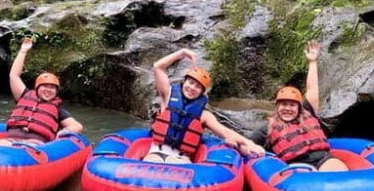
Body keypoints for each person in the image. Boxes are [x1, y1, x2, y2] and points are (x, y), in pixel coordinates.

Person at [143, 48, 264, 164]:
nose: (192, 88)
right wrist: (182, 52)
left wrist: (250, 143)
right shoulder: (168, 96)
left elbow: (226, 132)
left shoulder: (204, 115)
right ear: (183, 82)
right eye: (190, 82)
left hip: (181, 160)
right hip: (156, 154)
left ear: (202, 92)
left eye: (198, 87)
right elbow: (158, 67)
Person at [260, 40, 348, 172]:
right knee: (306, 178)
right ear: (277, 107)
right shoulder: (268, 127)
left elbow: (312, 89)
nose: (288, 109)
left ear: (299, 107)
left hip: (323, 159)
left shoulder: (308, 112)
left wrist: (312, 62)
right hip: (296, 165)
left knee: (339, 172)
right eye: (284, 105)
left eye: (292, 105)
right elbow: (248, 144)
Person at [0, 37, 83, 146]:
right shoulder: (24, 95)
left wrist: (64, 132)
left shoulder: (58, 109)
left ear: (56, 91)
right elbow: (14, 75)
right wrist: (23, 50)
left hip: (35, 143)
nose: (48, 90)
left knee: (24, 150)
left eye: (52, 88)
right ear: (37, 88)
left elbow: (77, 126)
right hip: (11, 139)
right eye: (45, 86)